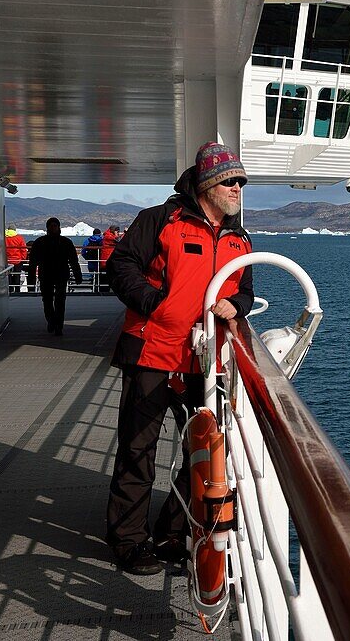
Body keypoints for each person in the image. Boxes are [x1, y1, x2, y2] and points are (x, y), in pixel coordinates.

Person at [105, 142, 253, 575]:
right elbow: (121, 266)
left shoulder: (239, 238)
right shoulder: (160, 220)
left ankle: (173, 533)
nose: (238, 188)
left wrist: (237, 307)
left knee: (203, 454)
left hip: (206, 362)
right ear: (208, 183)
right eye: (230, 181)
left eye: (241, 181)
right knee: (138, 450)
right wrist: (157, 304)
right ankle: (128, 542)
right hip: (153, 353)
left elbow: (243, 290)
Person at [27, 217, 82, 336]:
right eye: (52, 226)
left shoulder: (41, 242)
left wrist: (78, 275)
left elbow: (73, 261)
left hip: (54, 275)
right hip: (52, 274)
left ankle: (56, 324)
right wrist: (31, 277)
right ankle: (53, 321)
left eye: (54, 226)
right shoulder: (65, 242)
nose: (53, 228)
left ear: (58, 227)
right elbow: (33, 262)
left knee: (57, 300)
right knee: (50, 300)